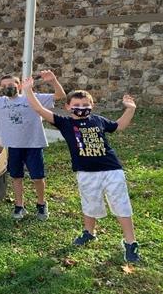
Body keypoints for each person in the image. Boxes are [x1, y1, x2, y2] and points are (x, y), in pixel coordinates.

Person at [22, 78, 140, 263]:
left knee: (121, 204)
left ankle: (131, 242)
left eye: (86, 104)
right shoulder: (65, 123)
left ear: (92, 105)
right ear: (68, 107)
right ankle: (89, 233)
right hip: (86, 172)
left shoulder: (99, 120)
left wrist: (130, 108)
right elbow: (39, 110)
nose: (82, 107)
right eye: (77, 104)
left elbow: (119, 126)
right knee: (90, 203)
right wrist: (27, 90)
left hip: (112, 170)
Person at [0, 70, 65, 220]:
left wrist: (53, 81)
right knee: (16, 177)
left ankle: (41, 204)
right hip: (13, 146)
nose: (8, 87)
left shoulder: (31, 98)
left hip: (33, 144)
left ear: (19, 85)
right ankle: (19, 206)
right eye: (4, 85)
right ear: (0, 88)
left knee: (38, 177)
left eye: (11, 84)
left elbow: (60, 95)